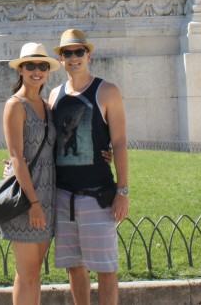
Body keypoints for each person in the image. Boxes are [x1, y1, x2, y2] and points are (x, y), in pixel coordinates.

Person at [50, 29, 129, 305]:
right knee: (74, 267)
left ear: (89, 54)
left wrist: (123, 191)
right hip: (63, 196)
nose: (74, 58)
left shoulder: (107, 91)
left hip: (97, 195)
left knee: (106, 269)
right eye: (67, 53)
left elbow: (119, 143)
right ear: (60, 59)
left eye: (78, 52)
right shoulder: (54, 95)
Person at [0, 42, 60, 305]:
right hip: (27, 199)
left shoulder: (46, 106)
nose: (36, 71)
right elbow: (17, 158)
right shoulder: (15, 105)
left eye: (42, 66)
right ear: (20, 70)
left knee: (35, 273)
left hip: (48, 195)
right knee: (26, 273)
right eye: (30, 65)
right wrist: (33, 204)